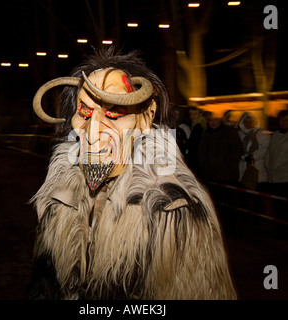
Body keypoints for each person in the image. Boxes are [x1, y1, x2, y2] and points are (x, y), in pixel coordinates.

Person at [29, 49, 236, 300]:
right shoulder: (58, 199)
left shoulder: (173, 214)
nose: (93, 134)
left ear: (146, 117)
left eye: (114, 113)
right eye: (84, 112)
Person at [198, 113, 243, 185]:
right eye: (210, 120)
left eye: (215, 120)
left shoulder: (230, 133)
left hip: (227, 177)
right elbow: (202, 155)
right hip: (210, 177)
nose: (213, 123)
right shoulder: (206, 134)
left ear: (220, 119)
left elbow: (237, 152)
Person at [238, 112, 270, 190]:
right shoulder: (239, 134)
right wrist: (243, 157)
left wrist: (252, 157)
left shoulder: (263, 134)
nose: (248, 124)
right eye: (246, 121)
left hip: (258, 173)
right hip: (242, 172)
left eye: (250, 121)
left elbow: (265, 151)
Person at [265, 110, 288, 197]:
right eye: (282, 120)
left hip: (285, 178)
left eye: (286, 120)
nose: (284, 122)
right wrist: (269, 167)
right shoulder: (275, 135)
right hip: (273, 178)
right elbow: (268, 153)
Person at [185, 107, 206, 176]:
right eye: (191, 114)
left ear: (200, 114)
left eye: (195, 114)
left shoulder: (198, 126)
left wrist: (185, 143)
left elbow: (193, 142)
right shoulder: (200, 124)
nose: (192, 116)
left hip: (196, 156)